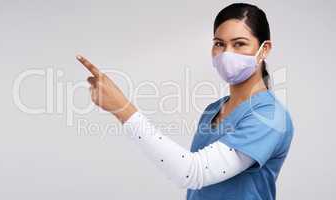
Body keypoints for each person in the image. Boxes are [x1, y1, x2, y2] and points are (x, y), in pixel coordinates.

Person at [76, 3, 294, 200]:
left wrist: (123, 109)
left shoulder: (269, 116)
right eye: (219, 44)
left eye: (239, 44)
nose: (227, 54)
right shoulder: (213, 110)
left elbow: (192, 172)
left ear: (264, 49)